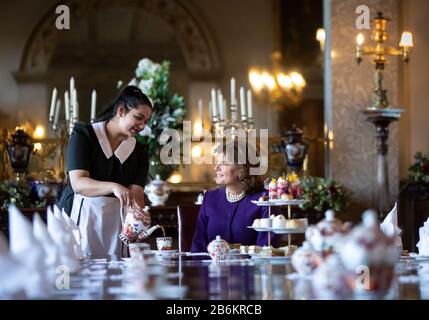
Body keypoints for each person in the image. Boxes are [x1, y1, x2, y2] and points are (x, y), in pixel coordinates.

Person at [58, 86, 152, 256]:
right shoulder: (84, 135)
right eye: (139, 117)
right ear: (121, 111)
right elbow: (78, 183)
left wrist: (140, 220)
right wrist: (114, 187)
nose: (142, 125)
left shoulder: (140, 151)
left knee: (118, 276)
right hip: (79, 218)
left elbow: (136, 193)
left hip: (117, 224)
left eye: (146, 121)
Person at [191, 138, 276, 252]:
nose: (216, 168)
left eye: (224, 163)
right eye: (217, 162)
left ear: (243, 168)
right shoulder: (210, 198)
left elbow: (267, 251)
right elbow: (198, 247)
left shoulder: (265, 200)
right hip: (213, 269)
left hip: (252, 269)